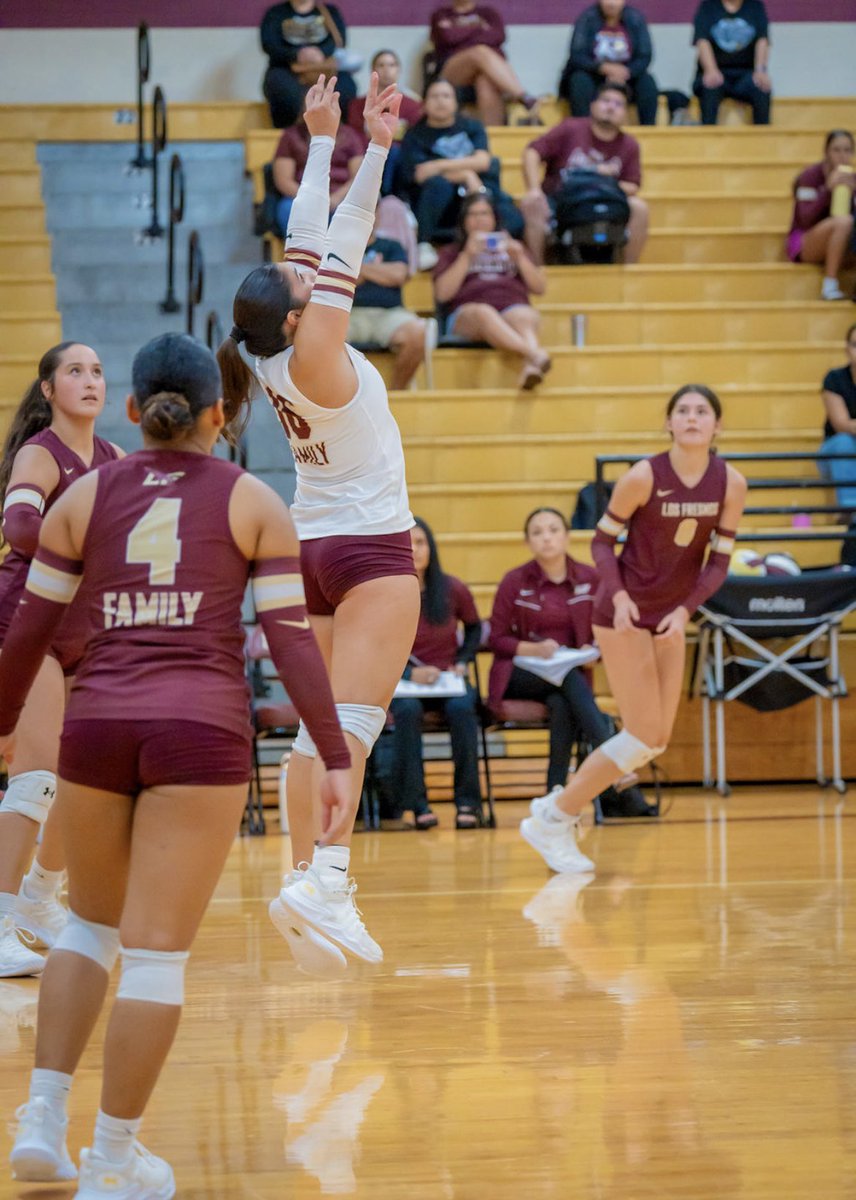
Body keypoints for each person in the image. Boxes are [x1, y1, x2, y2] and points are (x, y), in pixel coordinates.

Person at [3, 331, 351, 1194]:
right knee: (153, 958)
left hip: (98, 724)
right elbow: (292, 645)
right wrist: (335, 756)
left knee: (87, 928)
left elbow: (27, 637)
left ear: (131, 411)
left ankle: (41, 1122)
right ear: (218, 415)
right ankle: (114, 1160)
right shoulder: (254, 502)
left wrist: (5, 717)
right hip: (199, 731)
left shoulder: (81, 501)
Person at [217, 76, 420, 974]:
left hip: (314, 547)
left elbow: (308, 239)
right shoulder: (324, 347)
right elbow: (347, 235)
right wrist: (372, 148)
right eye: (304, 283)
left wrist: (318, 136)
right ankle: (330, 881)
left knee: (312, 728)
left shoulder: (266, 353)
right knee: (353, 729)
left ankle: (303, 876)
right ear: (301, 314)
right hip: (373, 551)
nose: (306, 265)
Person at [519, 385, 747, 874]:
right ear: (668, 423)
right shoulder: (644, 476)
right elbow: (601, 544)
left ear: (717, 426)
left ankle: (555, 809)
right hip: (620, 614)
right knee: (642, 731)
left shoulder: (732, 483)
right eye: (682, 411)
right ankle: (555, 816)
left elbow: (718, 563)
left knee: (654, 740)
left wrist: (686, 610)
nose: (691, 418)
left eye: (702, 411)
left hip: (671, 617)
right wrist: (619, 597)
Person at [0, 343, 121, 980]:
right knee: (38, 774)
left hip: (85, 631)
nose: (89, 380)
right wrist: (86, 544)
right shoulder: (41, 453)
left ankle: (40, 898)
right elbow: (20, 526)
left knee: (90, 777)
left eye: (97, 370)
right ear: (48, 389)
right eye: (74, 370)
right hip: (29, 622)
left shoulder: (115, 460)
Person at [488, 508, 654, 821]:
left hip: (568, 676)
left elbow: (607, 633)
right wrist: (533, 649)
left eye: (553, 529)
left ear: (566, 536)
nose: (547, 537)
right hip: (520, 673)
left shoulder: (590, 579)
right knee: (570, 682)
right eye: (538, 532)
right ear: (528, 542)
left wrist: (594, 648)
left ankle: (553, 795)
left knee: (563, 701)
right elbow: (495, 638)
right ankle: (616, 763)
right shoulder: (515, 580)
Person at [387, 518, 484, 830]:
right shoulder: (386, 591)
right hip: (405, 686)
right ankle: (418, 805)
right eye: (407, 543)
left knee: (463, 709)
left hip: (447, 681)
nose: (414, 549)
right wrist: (407, 674)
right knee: (407, 712)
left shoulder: (452, 588)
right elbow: (374, 643)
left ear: (431, 548)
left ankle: (468, 803)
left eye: (421, 542)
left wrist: (463, 660)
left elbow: (474, 628)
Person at [520, 81, 647, 266]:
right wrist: (533, 189)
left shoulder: (630, 145)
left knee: (639, 208)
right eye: (605, 101)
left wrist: (601, 181)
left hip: (606, 203)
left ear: (625, 114)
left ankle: (628, 271)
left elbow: (632, 186)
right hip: (562, 201)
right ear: (592, 105)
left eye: (618, 104)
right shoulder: (570, 128)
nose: (611, 107)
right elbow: (532, 152)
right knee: (531, 203)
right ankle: (538, 271)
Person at [433, 192, 549, 391]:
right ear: (464, 221)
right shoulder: (451, 252)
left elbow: (540, 288)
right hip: (467, 314)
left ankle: (531, 367)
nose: (479, 219)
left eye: (484, 213)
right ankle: (534, 355)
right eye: (473, 214)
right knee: (483, 312)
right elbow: (442, 294)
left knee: (524, 314)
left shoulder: (514, 248)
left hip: (511, 308)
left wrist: (520, 258)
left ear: (494, 219)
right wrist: (467, 256)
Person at [398, 78, 523, 259]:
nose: (441, 101)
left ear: (456, 102)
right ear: (424, 103)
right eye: (434, 96)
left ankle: (498, 251)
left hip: (475, 191)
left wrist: (440, 166)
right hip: (439, 203)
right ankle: (423, 244)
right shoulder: (415, 134)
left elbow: (483, 161)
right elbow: (420, 174)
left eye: (446, 96)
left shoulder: (472, 126)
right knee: (438, 185)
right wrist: (465, 172)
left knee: (513, 218)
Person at [348, 214, 428, 392]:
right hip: (347, 314)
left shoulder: (392, 246)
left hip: (390, 314)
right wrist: (381, 272)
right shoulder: (335, 247)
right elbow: (329, 280)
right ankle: (344, 400)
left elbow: (399, 275)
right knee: (321, 335)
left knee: (417, 332)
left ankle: (394, 394)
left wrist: (358, 269)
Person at [429, 0, 539, 127]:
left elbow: (498, 37)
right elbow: (448, 37)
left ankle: (491, 140)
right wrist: (478, 28)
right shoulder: (441, 14)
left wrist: (461, 32)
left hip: (486, 74)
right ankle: (523, 96)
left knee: (485, 81)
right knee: (479, 51)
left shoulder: (489, 13)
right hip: (451, 72)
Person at [261, 0, 359, 129]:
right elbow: (269, 44)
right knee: (282, 90)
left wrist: (320, 52)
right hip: (287, 69)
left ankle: (338, 135)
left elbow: (340, 40)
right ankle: (288, 135)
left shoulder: (330, 12)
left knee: (346, 87)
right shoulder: (275, 13)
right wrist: (297, 54)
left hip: (325, 69)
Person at [559, 0, 659, 127]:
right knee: (579, 81)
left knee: (647, 83)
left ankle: (648, 130)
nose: (611, 3)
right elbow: (577, 55)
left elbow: (645, 56)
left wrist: (626, 72)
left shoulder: (636, 19)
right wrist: (604, 68)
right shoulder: (587, 18)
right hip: (594, 74)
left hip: (627, 76)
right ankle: (582, 131)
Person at [788, 130, 855, 302]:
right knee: (844, 222)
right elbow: (805, 218)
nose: (842, 156)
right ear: (826, 152)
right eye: (837, 150)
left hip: (841, 242)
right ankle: (830, 285)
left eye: (847, 150)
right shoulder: (810, 176)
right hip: (806, 240)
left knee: (846, 223)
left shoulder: (852, 178)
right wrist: (827, 190)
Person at [272, 117, 365, 239]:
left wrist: (336, 198)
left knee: (358, 211)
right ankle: (301, 256)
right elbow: (283, 180)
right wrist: (313, 199)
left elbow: (358, 177)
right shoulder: (291, 136)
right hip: (303, 197)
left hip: (341, 198)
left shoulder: (350, 136)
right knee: (288, 209)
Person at [347, 50, 423, 197]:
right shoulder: (356, 105)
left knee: (393, 152)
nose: (387, 70)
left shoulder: (413, 105)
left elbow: (413, 140)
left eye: (391, 65)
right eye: (381, 65)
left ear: (399, 69)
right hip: (366, 155)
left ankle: (384, 196)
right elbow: (354, 138)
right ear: (373, 71)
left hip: (399, 160)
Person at [692, 0, 771, 126]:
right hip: (717, 71)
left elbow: (762, 40)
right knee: (710, 87)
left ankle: (763, 139)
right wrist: (711, 69)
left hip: (745, 73)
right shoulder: (708, 6)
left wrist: (760, 70)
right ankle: (707, 138)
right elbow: (702, 41)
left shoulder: (755, 6)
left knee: (761, 87)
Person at [819, 324, 856, 520]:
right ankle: (850, 511)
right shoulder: (835, 379)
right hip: (835, 452)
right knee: (844, 441)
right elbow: (842, 424)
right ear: (847, 349)